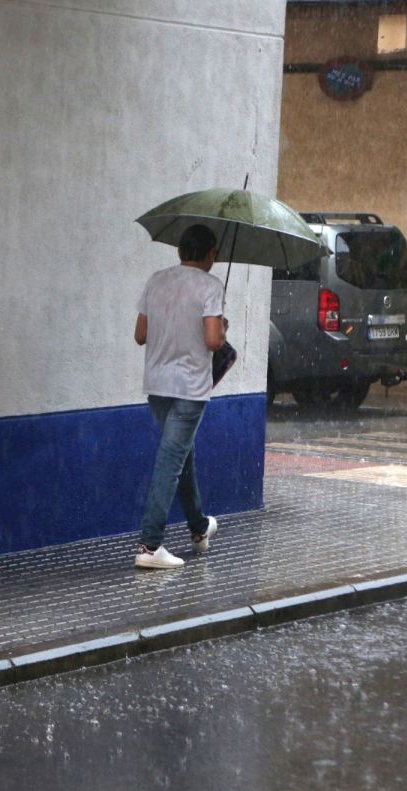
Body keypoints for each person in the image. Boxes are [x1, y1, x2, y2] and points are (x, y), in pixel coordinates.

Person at [133, 223, 227, 569]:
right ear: (210, 253)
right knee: (170, 462)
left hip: (157, 385)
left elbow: (140, 334)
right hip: (189, 388)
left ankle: (199, 529)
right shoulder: (210, 286)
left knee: (180, 457)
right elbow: (213, 341)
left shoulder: (156, 280)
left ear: (179, 250)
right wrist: (222, 327)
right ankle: (150, 545)